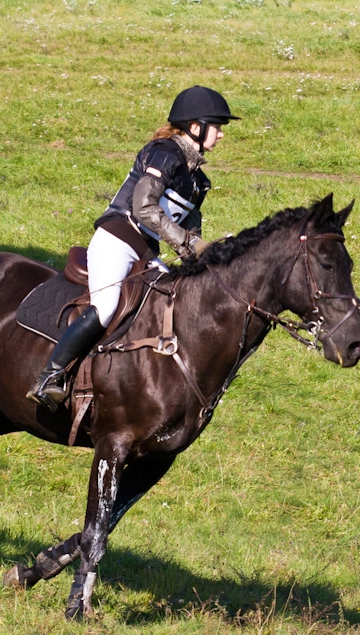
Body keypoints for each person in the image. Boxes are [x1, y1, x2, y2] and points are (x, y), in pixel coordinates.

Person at [26, 85, 239, 413]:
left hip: (145, 254)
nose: (221, 135)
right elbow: (143, 207)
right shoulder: (164, 153)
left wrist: (203, 258)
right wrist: (188, 242)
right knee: (107, 306)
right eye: (218, 126)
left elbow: (189, 231)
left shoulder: (198, 181)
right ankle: (49, 377)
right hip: (117, 239)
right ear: (196, 127)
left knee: (174, 304)